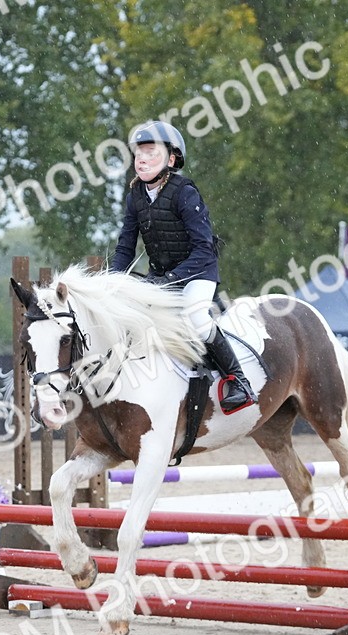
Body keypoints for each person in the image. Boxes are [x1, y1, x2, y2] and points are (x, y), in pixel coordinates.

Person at [109, 120, 257, 414]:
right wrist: (112, 283)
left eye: (151, 152)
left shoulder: (184, 192)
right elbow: (126, 247)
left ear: (171, 159)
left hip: (198, 273)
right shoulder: (135, 197)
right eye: (139, 153)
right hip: (161, 276)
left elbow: (204, 248)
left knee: (197, 318)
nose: (142, 158)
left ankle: (239, 381)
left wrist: (172, 279)